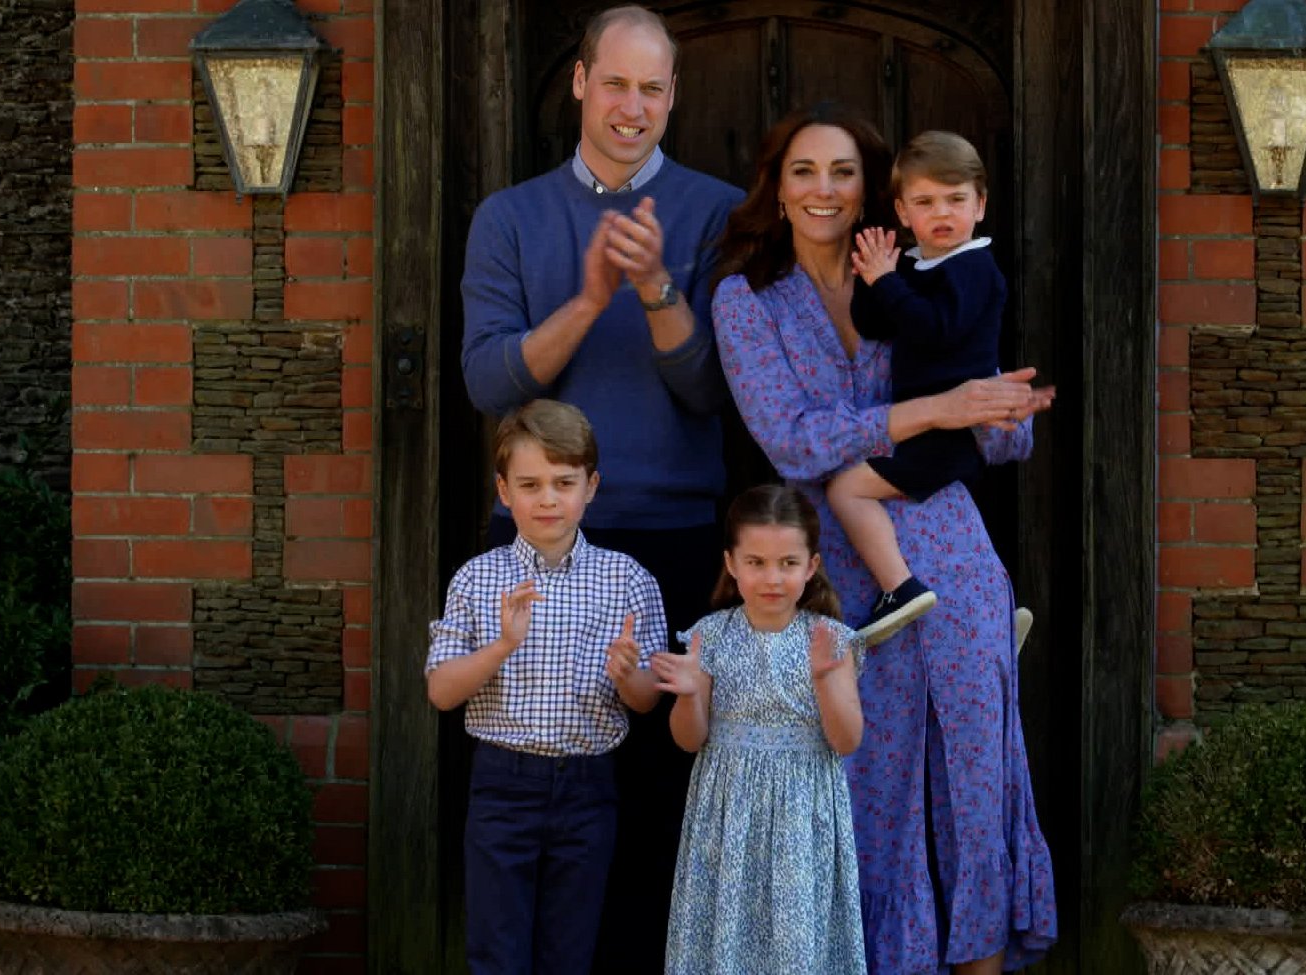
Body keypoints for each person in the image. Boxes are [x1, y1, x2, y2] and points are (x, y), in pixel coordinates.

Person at [709, 103, 1060, 974]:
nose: (823, 189)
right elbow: (790, 439)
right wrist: (938, 409)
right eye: (803, 171)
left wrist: (1003, 409)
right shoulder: (745, 298)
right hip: (834, 567)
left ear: (874, 193)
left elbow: (989, 425)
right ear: (776, 189)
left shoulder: (920, 268)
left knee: (977, 779)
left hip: (951, 545)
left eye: (841, 172)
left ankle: (982, 960)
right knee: (866, 787)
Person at [458, 6, 744, 967]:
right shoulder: (510, 216)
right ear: (579, 82)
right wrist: (587, 298)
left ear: (673, 97)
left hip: (670, 536)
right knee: (529, 799)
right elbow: (490, 382)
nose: (632, 106)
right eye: (614, 83)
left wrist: (658, 287)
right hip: (537, 541)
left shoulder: (717, 213)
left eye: (651, 88)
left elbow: (712, 391)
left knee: (659, 798)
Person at [425, 399, 665, 975]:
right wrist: (503, 645)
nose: (549, 499)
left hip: (588, 787)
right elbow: (441, 692)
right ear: (504, 491)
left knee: (570, 949)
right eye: (530, 484)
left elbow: (648, 699)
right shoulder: (478, 578)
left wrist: (628, 674)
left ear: (592, 486)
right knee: (496, 948)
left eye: (564, 482)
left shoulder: (627, 579)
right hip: (503, 784)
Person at [653, 485, 868, 975]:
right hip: (727, 813)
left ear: (811, 566)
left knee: (796, 944)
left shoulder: (830, 639)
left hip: (802, 813)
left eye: (788, 564)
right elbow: (689, 740)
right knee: (727, 937)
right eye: (756, 562)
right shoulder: (711, 634)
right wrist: (688, 693)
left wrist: (825, 681)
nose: (772, 578)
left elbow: (846, 741)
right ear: (731, 563)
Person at [831, 130, 1006, 646]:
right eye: (926, 202)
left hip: (948, 433)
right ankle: (983, 616)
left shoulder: (974, 268)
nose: (943, 213)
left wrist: (889, 282)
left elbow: (935, 329)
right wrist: (873, 276)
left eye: (956, 200)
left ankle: (899, 589)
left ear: (980, 205)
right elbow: (875, 324)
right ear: (904, 213)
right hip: (924, 425)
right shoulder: (917, 265)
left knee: (847, 489)